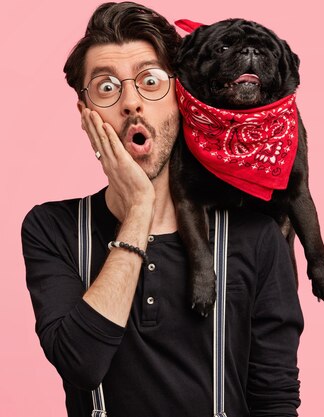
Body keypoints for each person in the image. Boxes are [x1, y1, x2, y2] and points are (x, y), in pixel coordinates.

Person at [21, 2, 304, 416]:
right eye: (106, 87)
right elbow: (81, 363)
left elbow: (274, 400)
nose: (131, 103)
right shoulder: (53, 228)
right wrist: (138, 211)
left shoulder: (255, 235)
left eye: (150, 81)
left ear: (181, 96)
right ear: (86, 117)